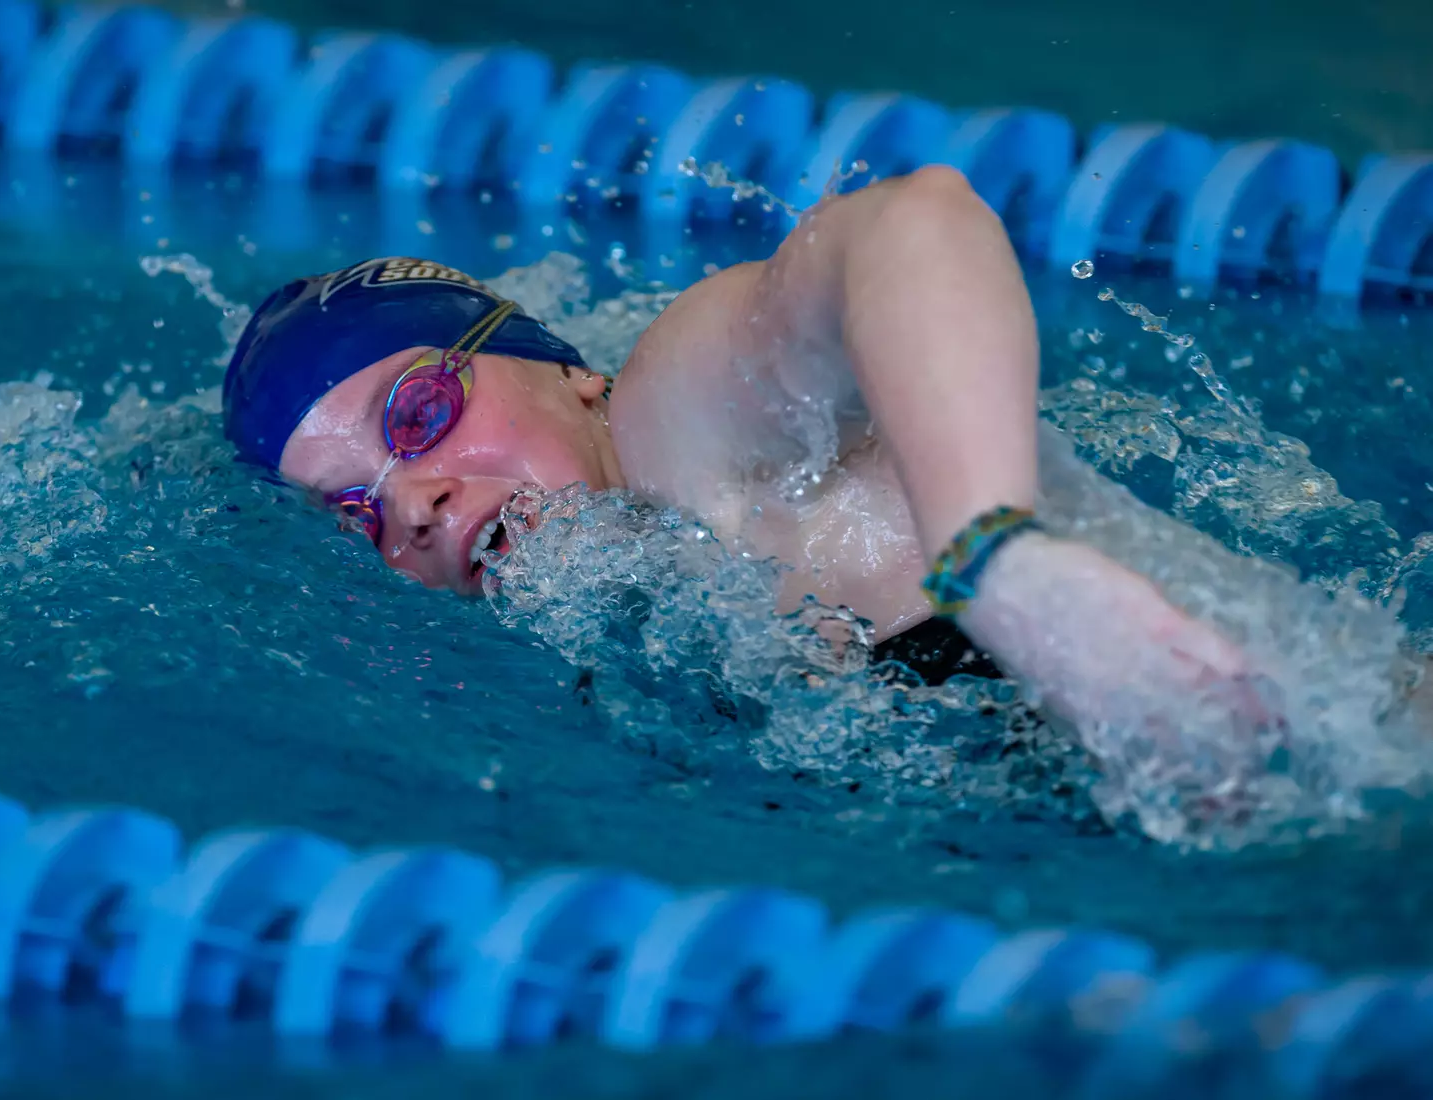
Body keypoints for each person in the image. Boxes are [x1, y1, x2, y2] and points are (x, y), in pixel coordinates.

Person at [221, 166, 1281, 745]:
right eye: (352, 510)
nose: (409, 499)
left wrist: (994, 555)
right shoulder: (597, 632)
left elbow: (915, 220)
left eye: (420, 412)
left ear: (570, 372)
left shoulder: (677, 415)